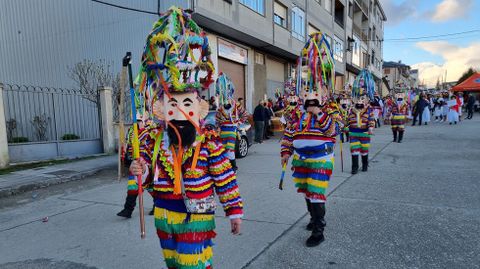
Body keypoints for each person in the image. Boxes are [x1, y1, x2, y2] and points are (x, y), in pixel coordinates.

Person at [128, 8, 243, 269]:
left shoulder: (210, 141)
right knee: (174, 265)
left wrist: (234, 211)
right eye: (172, 104)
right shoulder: (153, 139)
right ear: (161, 109)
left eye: (187, 103)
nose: (179, 111)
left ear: (199, 108)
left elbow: (225, 178)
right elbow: (144, 171)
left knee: (191, 265)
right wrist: (139, 168)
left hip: (197, 217)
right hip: (163, 215)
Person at [281, 33, 342, 247]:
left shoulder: (331, 109)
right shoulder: (297, 112)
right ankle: (313, 218)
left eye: (315, 90)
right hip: (301, 159)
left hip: (321, 158)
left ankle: (319, 230)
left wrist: (318, 112)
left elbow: (332, 131)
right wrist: (286, 152)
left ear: (324, 91)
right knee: (307, 192)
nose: (310, 95)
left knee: (316, 193)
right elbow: (289, 133)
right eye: (307, 90)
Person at [117, 121, 155, 218]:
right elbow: (130, 144)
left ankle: (157, 205)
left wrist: (142, 128)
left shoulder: (151, 128)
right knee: (133, 187)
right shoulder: (131, 130)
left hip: (147, 162)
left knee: (150, 187)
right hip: (135, 163)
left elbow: (149, 142)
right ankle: (128, 209)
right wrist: (127, 154)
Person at [215, 72, 248, 171]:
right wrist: (218, 126)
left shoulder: (236, 104)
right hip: (223, 131)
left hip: (232, 130)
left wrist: (238, 122)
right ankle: (227, 167)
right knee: (223, 149)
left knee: (230, 148)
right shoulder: (220, 107)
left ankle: (234, 167)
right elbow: (217, 119)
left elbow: (245, 114)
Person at [346, 69, 376, 174]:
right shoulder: (351, 110)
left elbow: (372, 119)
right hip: (353, 133)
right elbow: (348, 120)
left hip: (364, 133)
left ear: (366, 100)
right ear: (354, 100)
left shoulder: (369, 109)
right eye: (357, 99)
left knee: (364, 150)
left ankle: (364, 165)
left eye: (362, 99)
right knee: (354, 150)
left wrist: (371, 127)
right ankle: (354, 167)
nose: (359, 101)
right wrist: (345, 127)